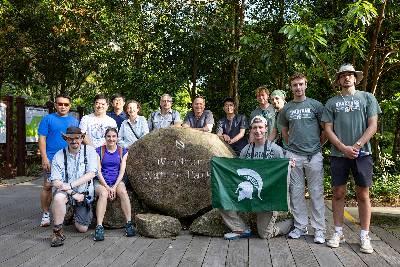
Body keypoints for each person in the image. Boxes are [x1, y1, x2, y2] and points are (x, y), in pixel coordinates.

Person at [322, 64, 381, 254]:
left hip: (362, 154)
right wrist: (343, 148)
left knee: (363, 194)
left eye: (350, 75)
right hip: (339, 155)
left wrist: (356, 146)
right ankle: (338, 232)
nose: (347, 78)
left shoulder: (367, 98)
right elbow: (328, 129)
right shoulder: (331, 102)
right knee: (338, 193)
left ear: (355, 78)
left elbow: (373, 126)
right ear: (338, 80)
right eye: (343, 76)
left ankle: (365, 236)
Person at [221, 116, 293, 240]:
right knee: (222, 199)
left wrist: (288, 165)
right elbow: (238, 172)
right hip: (249, 193)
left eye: (260, 127)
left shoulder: (275, 150)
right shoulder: (245, 150)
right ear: (251, 130)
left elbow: (282, 176)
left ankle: (291, 223)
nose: (257, 130)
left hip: (267, 197)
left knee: (265, 234)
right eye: (254, 128)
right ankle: (242, 229)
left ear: (266, 129)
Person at [279, 73, 326, 244]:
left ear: (306, 85)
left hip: (313, 155)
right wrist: (289, 148)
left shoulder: (316, 105)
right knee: (296, 193)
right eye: (294, 85)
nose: (298, 88)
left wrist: (318, 146)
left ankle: (319, 230)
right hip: (294, 156)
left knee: (316, 193)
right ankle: (300, 226)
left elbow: (325, 129)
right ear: (290, 87)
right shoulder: (287, 108)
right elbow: (284, 131)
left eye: (300, 84)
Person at [49, 126, 98, 247]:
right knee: (58, 198)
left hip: (83, 194)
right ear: (65, 139)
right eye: (70, 138)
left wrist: (70, 185)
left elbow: (91, 173)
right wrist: (72, 193)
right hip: (67, 193)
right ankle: (57, 232)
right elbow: (55, 181)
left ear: (82, 138)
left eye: (77, 138)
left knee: (82, 229)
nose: (74, 141)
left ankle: (73, 213)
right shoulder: (59, 155)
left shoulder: (90, 151)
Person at [38, 94, 79, 227]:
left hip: (70, 159)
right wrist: (44, 157)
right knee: (48, 185)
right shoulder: (47, 119)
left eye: (66, 104)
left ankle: (67, 213)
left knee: (69, 185)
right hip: (51, 158)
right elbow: (42, 138)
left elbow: (79, 139)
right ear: (56, 105)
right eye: (60, 104)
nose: (63, 106)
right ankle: (45, 214)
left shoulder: (74, 121)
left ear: (70, 106)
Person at [93, 128, 136, 241]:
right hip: (101, 181)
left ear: (117, 138)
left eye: (113, 136)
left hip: (117, 180)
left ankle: (129, 223)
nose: (111, 139)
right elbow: (98, 171)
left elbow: (122, 171)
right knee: (103, 194)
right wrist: (107, 188)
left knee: (122, 191)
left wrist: (114, 186)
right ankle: (99, 226)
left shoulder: (123, 151)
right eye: (108, 136)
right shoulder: (99, 151)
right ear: (105, 137)